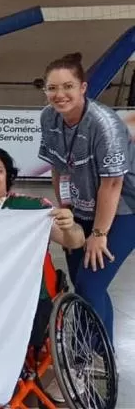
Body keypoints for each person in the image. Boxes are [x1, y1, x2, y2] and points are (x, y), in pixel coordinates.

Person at [0, 145, 86, 400]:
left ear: (8, 176)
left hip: (29, 301)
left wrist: (71, 226)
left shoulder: (33, 209)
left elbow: (74, 242)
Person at [38, 52, 135, 344]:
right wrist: (65, 210)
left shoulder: (104, 125)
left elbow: (113, 183)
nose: (60, 94)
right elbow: (58, 167)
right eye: (52, 88)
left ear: (83, 87)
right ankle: (94, 353)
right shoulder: (48, 118)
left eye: (68, 86)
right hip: (80, 208)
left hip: (121, 212)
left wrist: (99, 234)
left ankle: (95, 354)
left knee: (89, 286)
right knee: (85, 287)